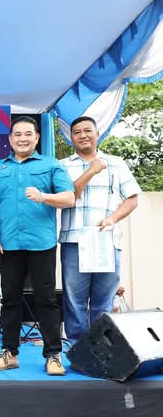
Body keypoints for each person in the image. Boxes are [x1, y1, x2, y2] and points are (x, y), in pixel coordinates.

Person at [0, 116, 74, 376]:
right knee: (10, 299)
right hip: (8, 244)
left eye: (28, 134)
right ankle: (9, 354)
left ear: (37, 137)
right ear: (10, 139)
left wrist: (43, 197)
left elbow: (69, 198)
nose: (22, 138)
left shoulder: (51, 165)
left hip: (41, 243)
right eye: (17, 134)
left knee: (46, 299)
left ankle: (53, 355)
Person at [58, 116, 141, 341]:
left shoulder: (116, 163)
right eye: (77, 132)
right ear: (71, 137)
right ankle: (76, 348)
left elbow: (132, 198)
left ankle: (102, 348)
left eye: (87, 130)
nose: (83, 135)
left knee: (103, 299)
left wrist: (113, 218)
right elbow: (67, 197)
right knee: (74, 300)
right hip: (74, 241)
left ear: (97, 133)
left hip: (107, 241)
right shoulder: (63, 165)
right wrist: (91, 171)